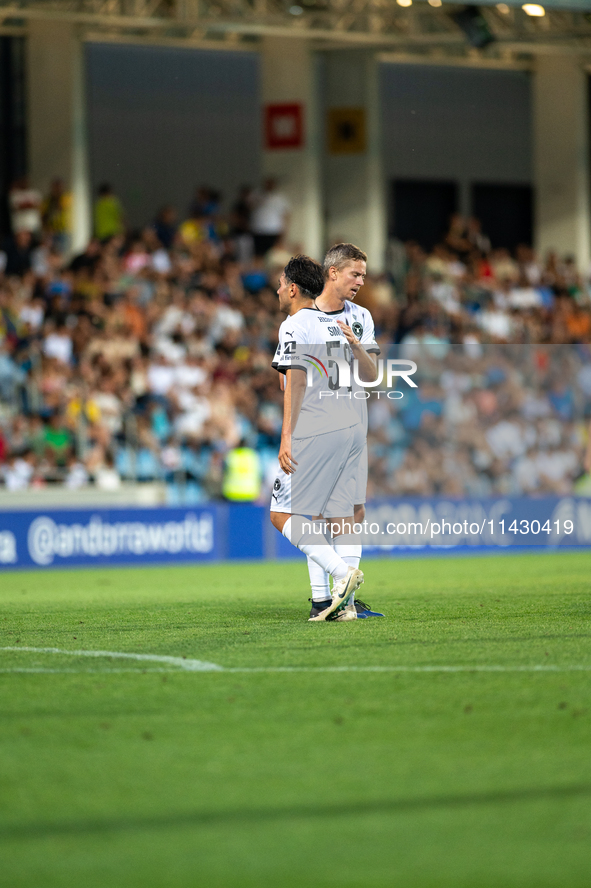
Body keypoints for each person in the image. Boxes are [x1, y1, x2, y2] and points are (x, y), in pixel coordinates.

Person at [269, 254, 367, 622]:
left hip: (318, 428)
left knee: (283, 514)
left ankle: (342, 576)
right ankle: (334, 606)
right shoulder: (332, 325)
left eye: (281, 284)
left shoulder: (294, 324)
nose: (278, 289)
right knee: (328, 513)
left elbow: (293, 380)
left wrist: (287, 437)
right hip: (348, 426)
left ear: (293, 288)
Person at [308, 243, 384, 619]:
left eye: (363, 276)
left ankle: (346, 601)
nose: (360, 282)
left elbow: (372, 377)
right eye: (355, 274)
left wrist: (356, 345)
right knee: (316, 513)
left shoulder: (361, 317)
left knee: (354, 511)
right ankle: (322, 598)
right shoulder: (305, 319)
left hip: (355, 424)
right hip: (319, 427)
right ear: (333, 272)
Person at [250, 178, 290, 257]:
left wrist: (284, 232)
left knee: (273, 255)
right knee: (258, 254)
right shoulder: (256, 195)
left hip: (273, 230)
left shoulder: (280, 198)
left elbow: (286, 215)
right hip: (258, 230)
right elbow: (249, 207)